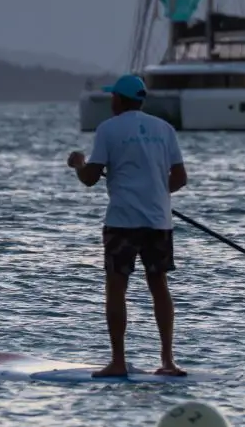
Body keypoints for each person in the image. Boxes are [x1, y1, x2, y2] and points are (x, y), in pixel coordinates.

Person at [66, 72, 189, 378]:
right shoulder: (164, 129)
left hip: (122, 222)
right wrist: (154, 192)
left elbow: (90, 178)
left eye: (113, 96)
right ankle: (168, 361)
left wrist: (78, 163)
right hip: (158, 220)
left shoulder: (108, 129)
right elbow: (179, 178)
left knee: (116, 287)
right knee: (159, 285)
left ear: (119, 99)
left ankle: (118, 361)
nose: (111, 101)